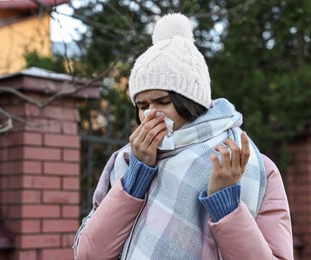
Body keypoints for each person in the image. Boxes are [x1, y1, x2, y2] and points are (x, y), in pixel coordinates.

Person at [73, 13, 293, 260]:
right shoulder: (126, 161)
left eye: (163, 101)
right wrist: (136, 177)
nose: (150, 113)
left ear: (190, 102)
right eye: (142, 104)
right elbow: (89, 254)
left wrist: (225, 203)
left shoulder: (253, 166)